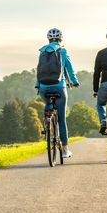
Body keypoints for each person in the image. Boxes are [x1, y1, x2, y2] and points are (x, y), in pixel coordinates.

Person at [35, 28, 80, 158]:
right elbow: (70, 70)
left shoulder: (42, 51)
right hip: (59, 87)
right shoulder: (63, 51)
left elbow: (39, 70)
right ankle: (65, 150)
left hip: (44, 87)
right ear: (61, 39)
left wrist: (38, 85)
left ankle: (47, 124)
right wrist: (75, 82)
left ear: (48, 39)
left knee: (48, 104)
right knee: (61, 119)